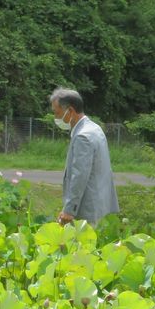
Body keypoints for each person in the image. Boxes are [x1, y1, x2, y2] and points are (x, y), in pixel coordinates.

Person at [50, 87, 119, 226]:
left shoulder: (83, 136)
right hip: (99, 206)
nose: (56, 118)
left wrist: (69, 210)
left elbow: (79, 176)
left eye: (57, 114)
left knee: (80, 247)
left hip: (86, 210)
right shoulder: (94, 128)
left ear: (70, 111)